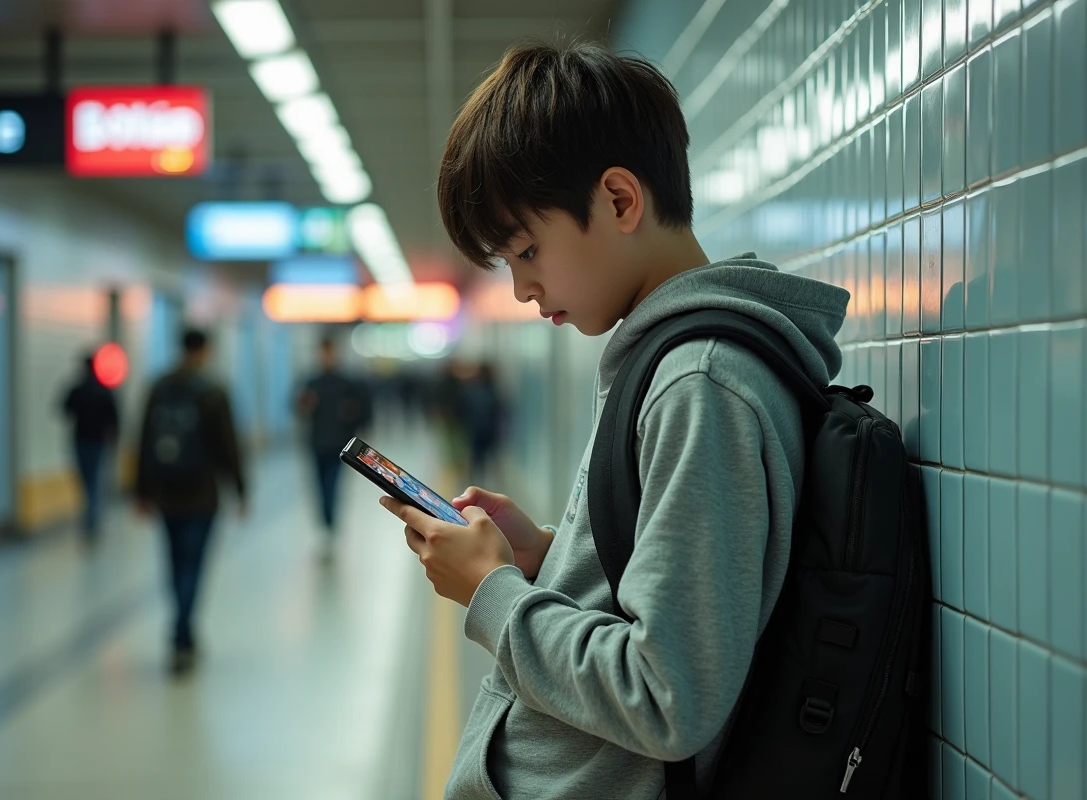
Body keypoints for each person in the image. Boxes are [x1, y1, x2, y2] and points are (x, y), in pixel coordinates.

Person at [378, 40, 849, 798]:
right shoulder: (669, 363)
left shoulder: (700, 384)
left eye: (528, 248)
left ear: (621, 200)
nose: (524, 288)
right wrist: (546, 557)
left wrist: (493, 591)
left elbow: (668, 697)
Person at [136, 329, 246, 677]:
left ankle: (181, 631)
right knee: (193, 565)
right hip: (202, 495)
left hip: (167, 494)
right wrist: (241, 490)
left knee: (174, 562)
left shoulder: (159, 386)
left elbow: (143, 440)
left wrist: (141, 492)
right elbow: (229, 445)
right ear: (205, 351)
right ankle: (182, 636)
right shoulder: (213, 391)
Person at [296, 337, 371, 553]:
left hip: (341, 446)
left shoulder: (347, 384)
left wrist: (354, 416)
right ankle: (326, 524)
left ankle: (330, 525)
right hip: (317, 444)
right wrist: (305, 404)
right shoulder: (311, 382)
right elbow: (297, 406)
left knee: (332, 486)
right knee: (319, 487)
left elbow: (363, 411)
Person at [60, 352, 120, 543]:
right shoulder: (104, 390)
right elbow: (115, 418)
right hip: (99, 442)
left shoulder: (77, 390)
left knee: (86, 482)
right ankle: (91, 521)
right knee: (94, 482)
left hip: (80, 440)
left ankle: (89, 520)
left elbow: (64, 410)